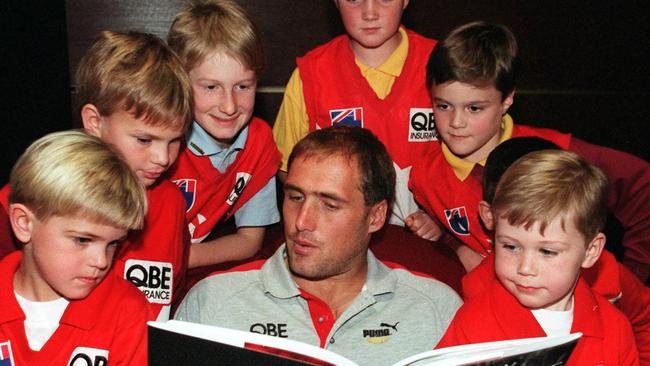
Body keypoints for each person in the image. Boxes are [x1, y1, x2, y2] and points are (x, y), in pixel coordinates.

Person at [175, 126, 462, 366]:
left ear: (375, 216)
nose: (302, 221)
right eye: (295, 198)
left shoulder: (435, 307)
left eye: (329, 205)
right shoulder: (213, 303)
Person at [409, 21, 650, 281]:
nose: (456, 122)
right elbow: (454, 225)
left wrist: (633, 277)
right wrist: (453, 243)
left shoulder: (553, 152)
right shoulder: (425, 174)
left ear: (507, 100)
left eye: (474, 108)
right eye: (444, 106)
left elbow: (642, 184)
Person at [437, 149, 639, 365]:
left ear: (590, 252)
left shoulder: (614, 327)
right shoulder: (473, 323)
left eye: (547, 252)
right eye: (511, 246)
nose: (525, 268)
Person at [272, 0, 441, 238]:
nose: (369, 13)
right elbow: (287, 169)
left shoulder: (443, 65)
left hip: (423, 238)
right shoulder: (312, 74)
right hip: (336, 237)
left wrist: (438, 219)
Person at [0, 130, 150, 365]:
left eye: (113, 243)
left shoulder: (125, 310)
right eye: (82, 240)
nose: (101, 261)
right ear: (23, 223)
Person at [75, 30, 192, 320]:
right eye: (144, 140)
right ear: (94, 121)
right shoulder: (42, 196)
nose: (163, 159)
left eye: (175, 140)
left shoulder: (171, 203)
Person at [166, 0, 281, 270]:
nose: (229, 106)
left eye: (242, 86)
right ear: (180, 81)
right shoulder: (159, 137)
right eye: (211, 87)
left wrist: (180, 259)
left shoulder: (259, 142)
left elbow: (249, 241)